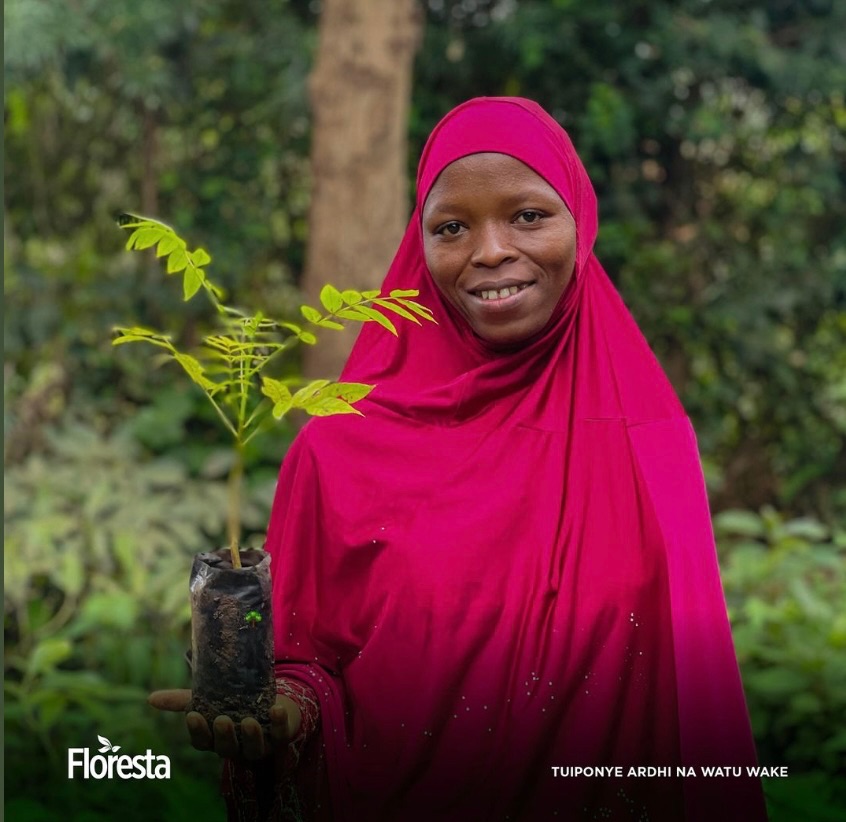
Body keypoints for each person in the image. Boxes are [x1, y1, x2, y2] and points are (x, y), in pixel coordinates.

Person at [151, 97, 768, 821]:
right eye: (452, 227)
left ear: (581, 223)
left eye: (529, 216)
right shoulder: (339, 448)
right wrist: (282, 711)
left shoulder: (648, 440)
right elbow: (303, 659)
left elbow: (690, 697)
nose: (492, 251)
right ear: (420, 244)